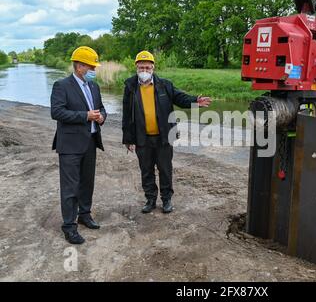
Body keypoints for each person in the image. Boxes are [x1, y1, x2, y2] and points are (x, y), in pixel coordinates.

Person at [122, 51, 211, 214]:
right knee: (146, 170)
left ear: (153, 67)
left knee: (165, 169)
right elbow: (127, 115)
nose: (144, 70)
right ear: (136, 67)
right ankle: (150, 200)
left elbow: (180, 98)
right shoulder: (130, 86)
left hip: (164, 137)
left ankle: (166, 200)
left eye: (147, 67)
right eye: (141, 67)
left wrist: (194, 101)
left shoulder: (165, 85)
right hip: (142, 138)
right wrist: (128, 139)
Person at [50, 46, 107, 245]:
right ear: (80, 66)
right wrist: (85, 116)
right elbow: (56, 112)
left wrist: (101, 117)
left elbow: (101, 109)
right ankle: (69, 226)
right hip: (70, 146)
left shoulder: (94, 86)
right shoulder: (61, 85)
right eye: (92, 66)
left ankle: (84, 214)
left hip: (90, 142)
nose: (94, 70)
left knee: (87, 183)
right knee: (70, 187)